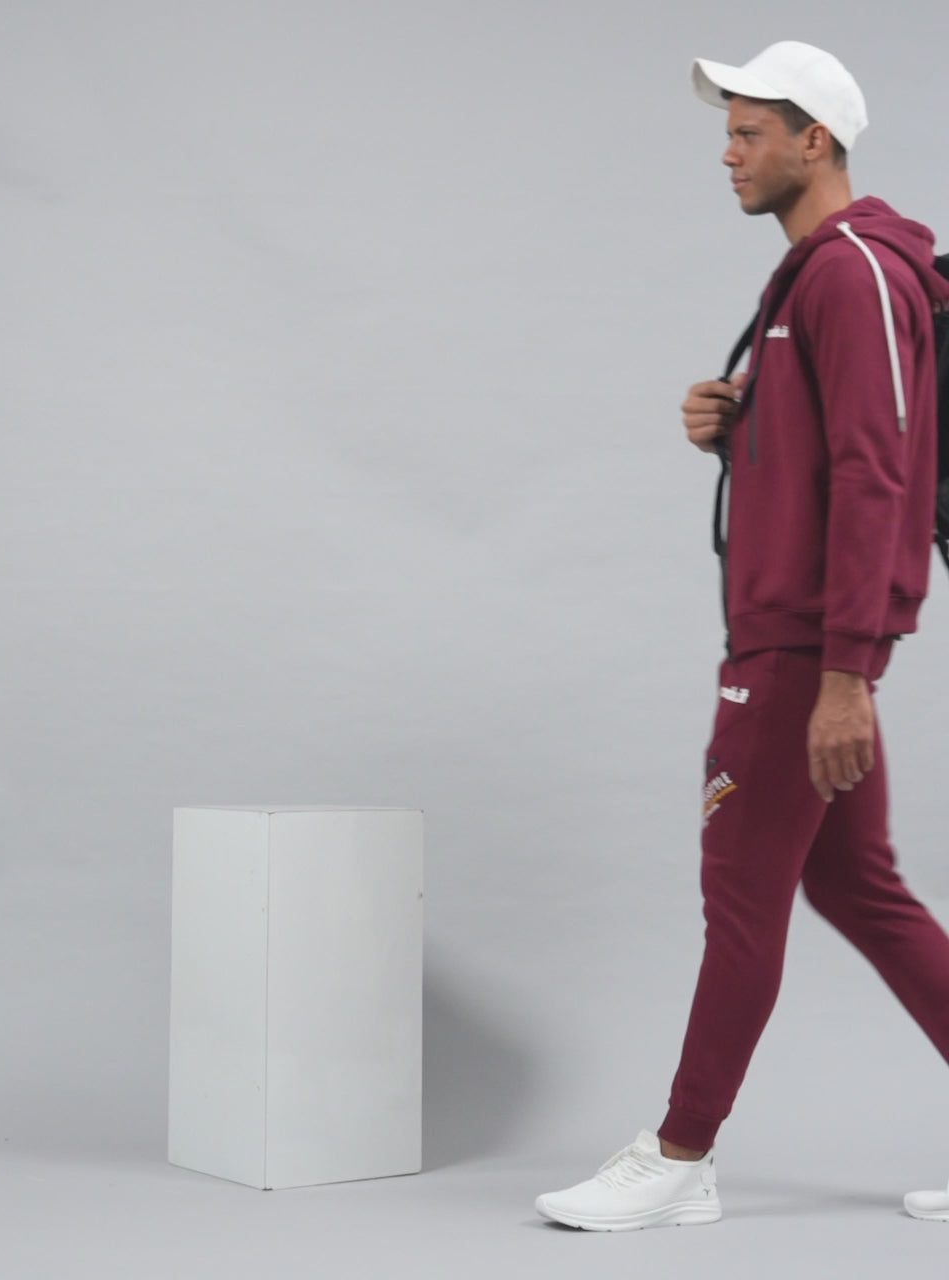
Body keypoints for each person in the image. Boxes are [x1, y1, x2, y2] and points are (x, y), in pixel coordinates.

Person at [535, 41, 949, 1232]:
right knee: (861, 886)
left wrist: (847, 673)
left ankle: (680, 1153)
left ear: (814, 140)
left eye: (749, 130)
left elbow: (877, 472)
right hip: (800, 640)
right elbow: (832, 449)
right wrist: (738, 424)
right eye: (727, 131)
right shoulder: (816, 275)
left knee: (740, 895)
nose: (727, 153)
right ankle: (684, 1150)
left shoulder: (850, 272)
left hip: (799, 651)